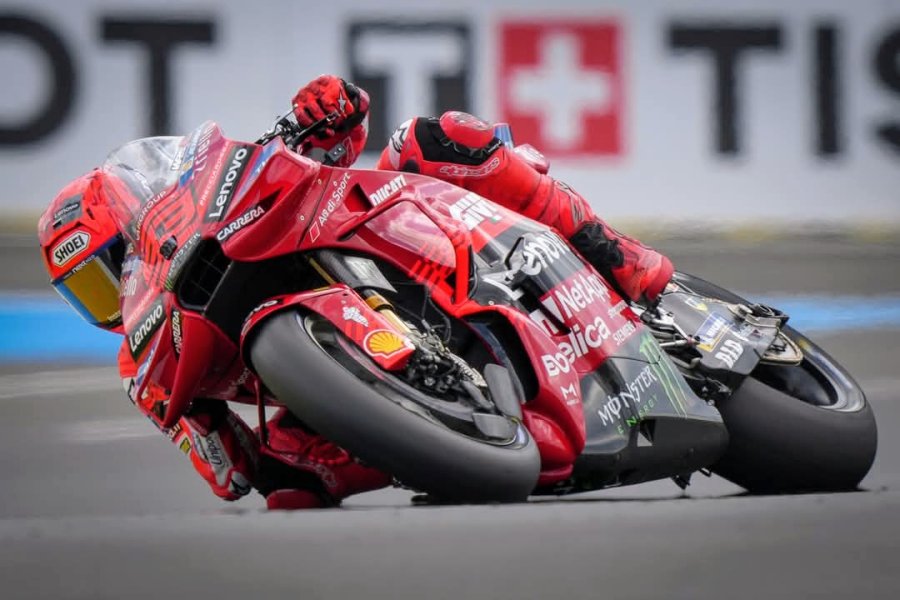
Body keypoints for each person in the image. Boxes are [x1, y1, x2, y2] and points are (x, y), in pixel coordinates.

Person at [38, 75, 673, 510]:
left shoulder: (225, 189)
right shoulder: (144, 366)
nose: (115, 292)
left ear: (137, 222)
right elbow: (230, 475)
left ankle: (616, 254)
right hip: (341, 390)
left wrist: (325, 110)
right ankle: (455, 430)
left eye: (112, 265)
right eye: (89, 291)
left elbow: (340, 129)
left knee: (435, 137)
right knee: (289, 486)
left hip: (409, 240)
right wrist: (210, 438)